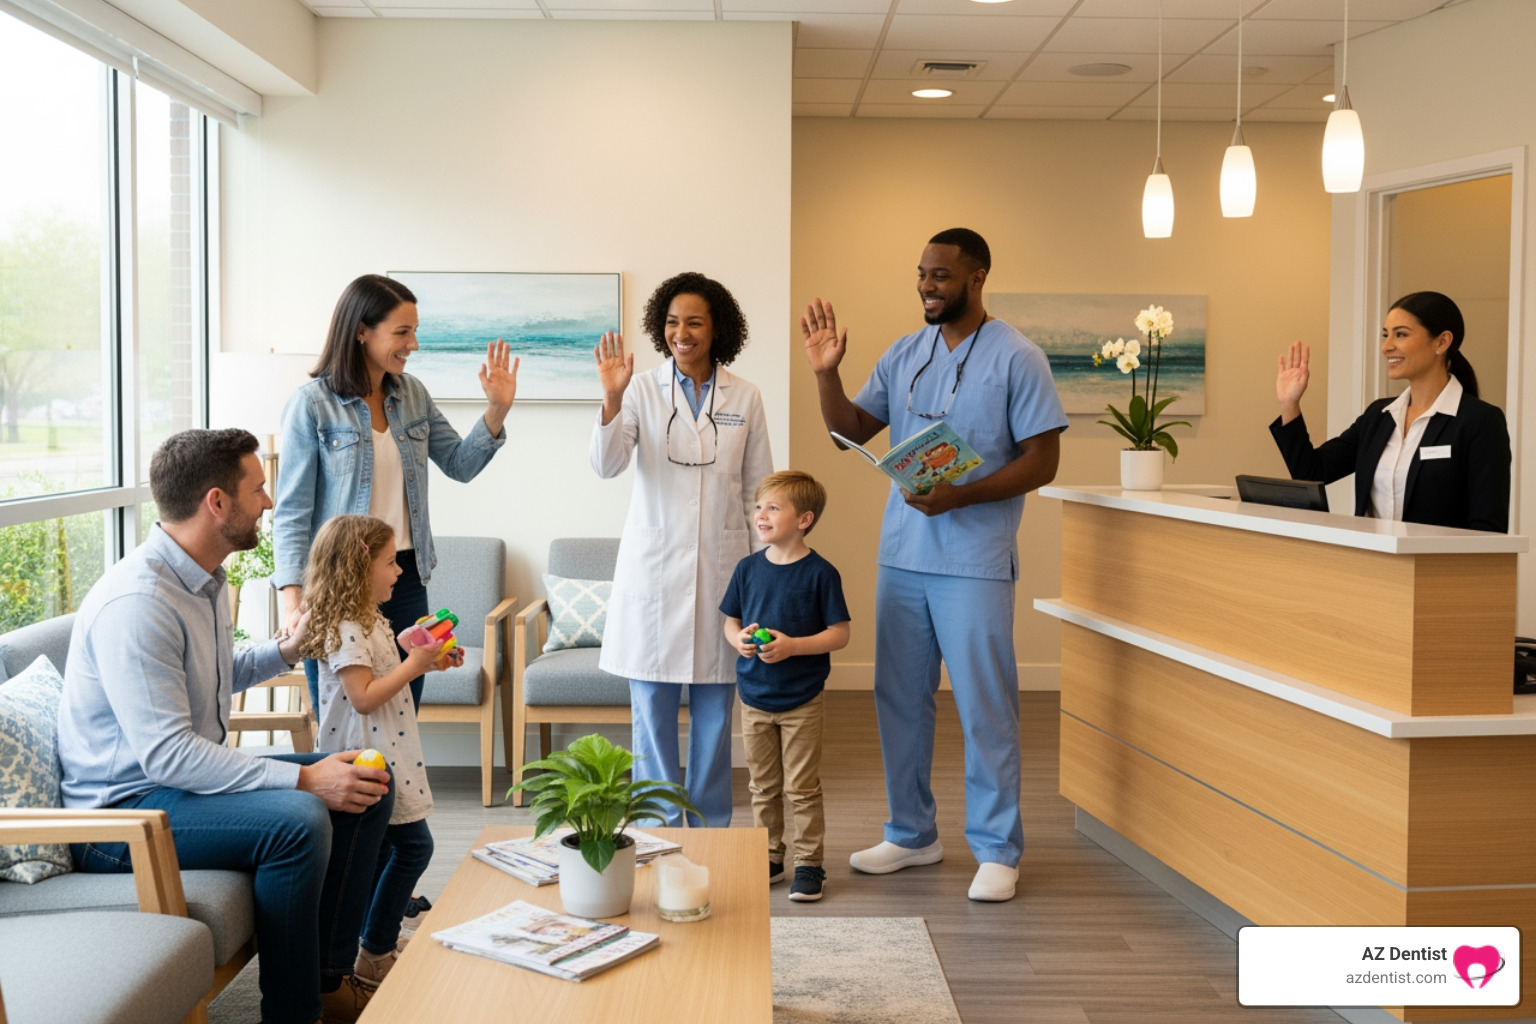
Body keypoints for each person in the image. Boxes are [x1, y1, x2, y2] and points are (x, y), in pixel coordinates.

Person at [57, 428, 394, 1024]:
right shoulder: (138, 603)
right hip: (120, 818)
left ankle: (327, 977)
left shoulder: (203, 578)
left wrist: (287, 650)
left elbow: (217, 675)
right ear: (217, 502)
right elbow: (170, 757)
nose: (268, 502)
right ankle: (294, 1013)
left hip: (176, 790)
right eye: (257, 488)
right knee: (300, 817)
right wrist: (302, 782)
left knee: (367, 781)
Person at [801, 228, 1067, 903]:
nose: (927, 286)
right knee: (899, 700)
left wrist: (960, 496)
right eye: (922, 274)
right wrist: (825, 372)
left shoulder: (1018, 357)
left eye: (941, 276)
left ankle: (998, 849)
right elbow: (848, 433)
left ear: (977, 277)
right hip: (904, 558)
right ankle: (912, 833)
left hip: (974, 560)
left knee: (985, 706)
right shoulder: (905, 352)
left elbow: (1043, 460)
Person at [274, 273, 518, 714]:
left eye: (415, 331)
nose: (414, 344)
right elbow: (292, 511)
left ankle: (398, 788)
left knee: (403, 711)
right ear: (361, 331)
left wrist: (496, 411)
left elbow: (460, 465)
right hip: (336, 586)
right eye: (402, 332)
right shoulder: (312, 404)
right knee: (343, 721)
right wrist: (292, 601)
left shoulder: (412, 395)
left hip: (402, 576)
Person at [590, 271, 774, 827]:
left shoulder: (745, 395)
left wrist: (762, 576)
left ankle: (712, 829)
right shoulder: (641, 389)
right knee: (651, 714)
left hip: (725, 571)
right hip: (654, 575)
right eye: (672, 322)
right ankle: (658, 830)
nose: (681, 333)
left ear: (717, 328)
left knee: (717, 715)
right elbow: (607, 465)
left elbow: (758, 493)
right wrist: (611, 396)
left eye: (694, 321)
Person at [300, 514, 461, 990]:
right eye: (391, 563)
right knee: (415, 848)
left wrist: (428, 653)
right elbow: (364, 695)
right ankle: (374, 948)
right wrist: (415, 665)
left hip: (386, 753)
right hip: (364, 759)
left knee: (391, 850)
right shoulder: (346, 625)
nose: (398, 572)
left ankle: (374, 945)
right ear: (358, 564)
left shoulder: (370, 618)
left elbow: (386, 667)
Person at [1270, 290, 1510, 533]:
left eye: (1401, 334)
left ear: (1442, 342)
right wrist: (1290, 405)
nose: (1386, 347)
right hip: (1374, 567)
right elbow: (1311, 473)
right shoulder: (1379, 416)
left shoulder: (1480, 421)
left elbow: (1488, 528)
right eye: (1385, 335)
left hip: (1436, 569)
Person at [720, 470, 850, 902]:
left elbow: (839, 634)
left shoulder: (821, 573)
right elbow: (731, 621)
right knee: (762, 785)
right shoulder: (747, 569)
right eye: (759, 506)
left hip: (802, 699)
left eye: (773, 507)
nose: (761, 514)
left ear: (804, 519)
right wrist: (738, 639)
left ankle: (809, 864)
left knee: (802, 787)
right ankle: (769, 855)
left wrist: (793, 647)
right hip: (754, 697)